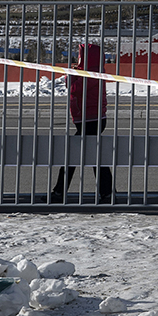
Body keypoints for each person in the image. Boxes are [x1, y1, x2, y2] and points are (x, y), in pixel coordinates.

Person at [51, 42, 113, 203]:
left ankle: (59, 192)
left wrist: (71, 74)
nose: (78, 58)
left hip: (91, 120)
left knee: (73, 156)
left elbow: (73, 88)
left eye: (80, 55)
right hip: (86, 119)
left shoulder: (93, 74)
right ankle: (107, 193)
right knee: (94, 157)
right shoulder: (87, 72)